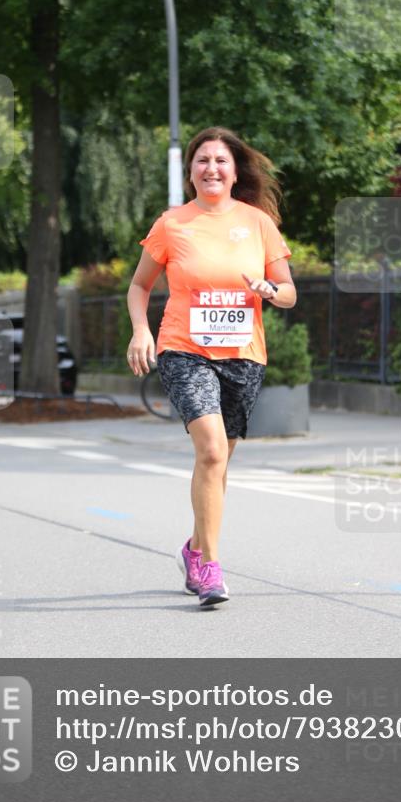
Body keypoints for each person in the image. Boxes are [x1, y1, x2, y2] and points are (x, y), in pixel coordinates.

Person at [126, 127, 296, 607]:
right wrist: (142, 331)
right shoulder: (173, 224)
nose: (212, 168)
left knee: (218, 464)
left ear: (234, 169)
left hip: (243, 354)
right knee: (213, 452)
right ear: (191, 171)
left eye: (220, 160)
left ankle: (194, 547)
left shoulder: (257, 223)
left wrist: (268, 290)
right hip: (185, 349)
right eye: (202, 160)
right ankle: (210, 571)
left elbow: (288, 292)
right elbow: (139, 287)